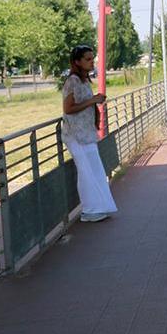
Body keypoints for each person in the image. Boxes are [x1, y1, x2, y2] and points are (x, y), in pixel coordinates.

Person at [62, 45, 117, 222]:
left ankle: (100, 206)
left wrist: (94, 103)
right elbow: (68, 108)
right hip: (75, 135)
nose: (92, 62)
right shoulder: (72, 81)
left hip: (87, 133)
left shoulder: (84, 80)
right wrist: (92, 101)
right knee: (86, 172)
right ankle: (89, 210)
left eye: (92, 58)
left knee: (96, 170)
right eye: (87, 59)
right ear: (77, 62)